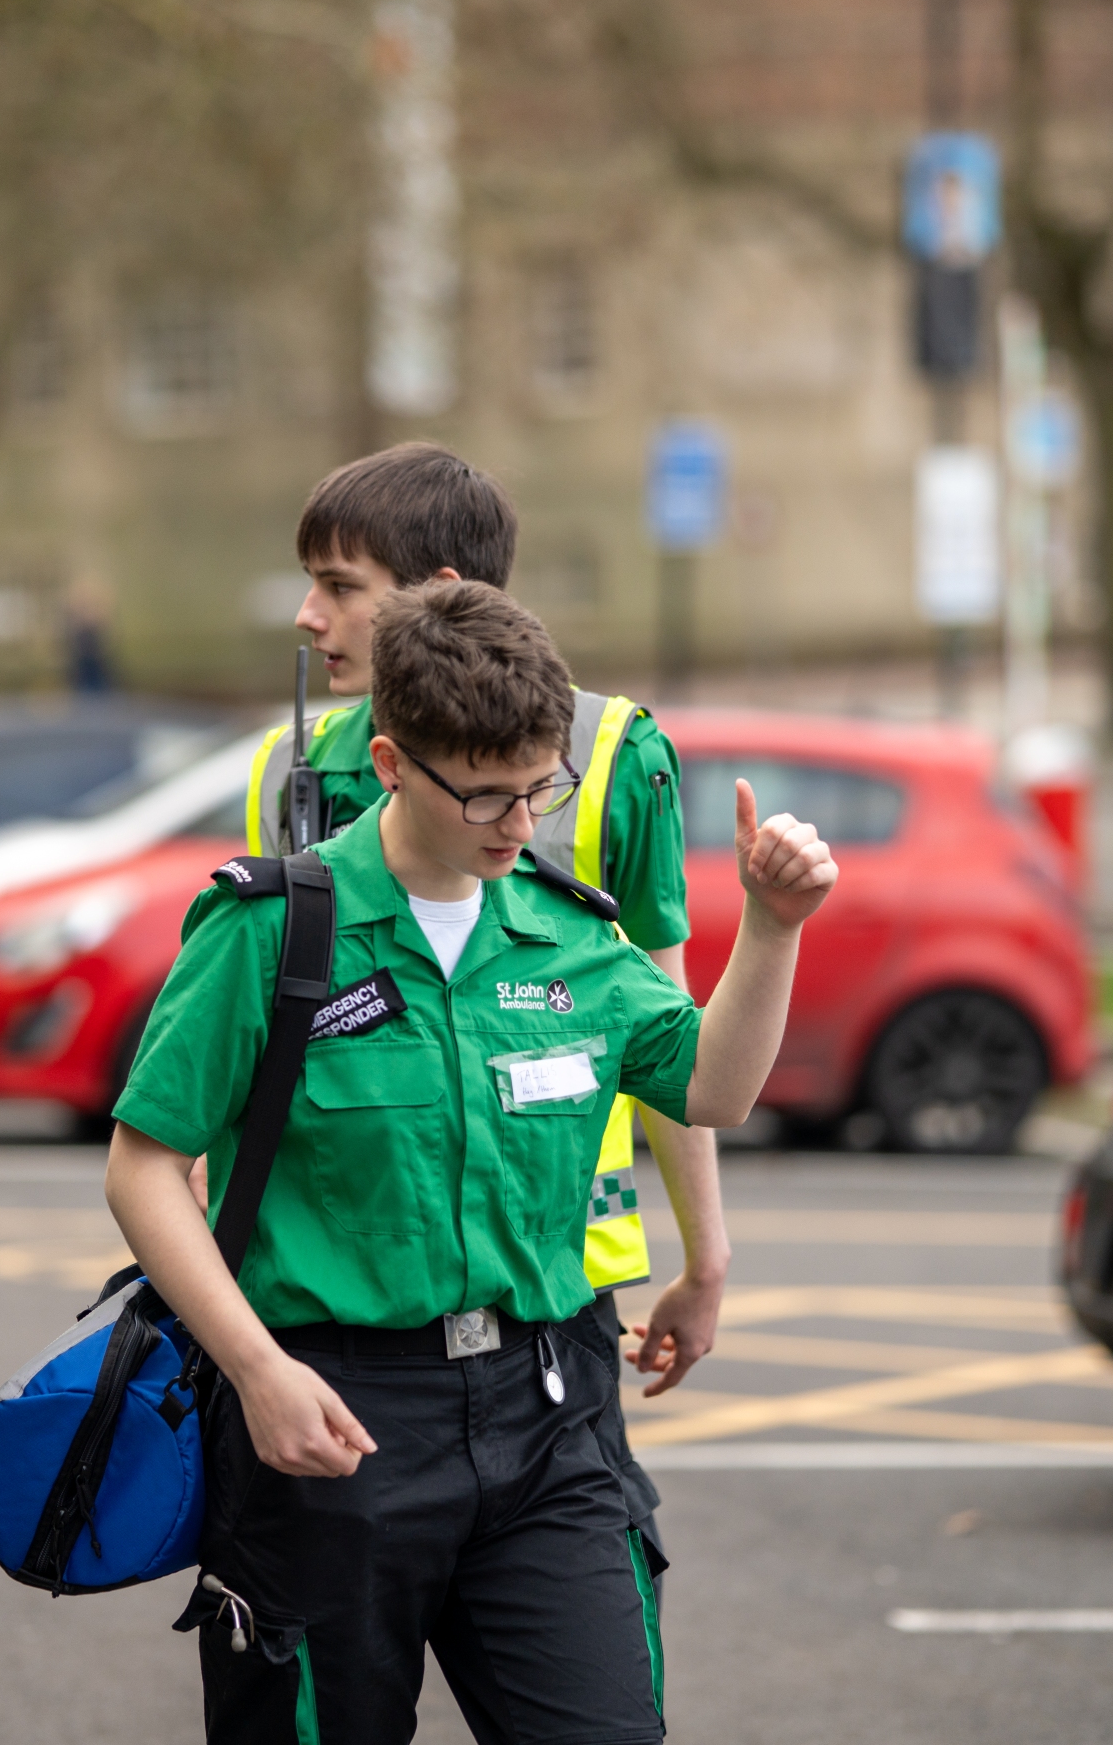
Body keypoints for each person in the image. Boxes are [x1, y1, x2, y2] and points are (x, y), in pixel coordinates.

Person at [109, 581, 835, 1744]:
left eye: (540, 786)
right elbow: (144, 1166)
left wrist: (772, 926)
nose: (517, 820)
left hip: (548, 1416)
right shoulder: (272, 928)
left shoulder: (565, 927)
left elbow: (716, 1087)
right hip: (333, 1409)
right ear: (392, 763)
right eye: (486, 792)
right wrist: (255, 1369)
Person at [241, 444, 729, 1569]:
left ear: (442, 593)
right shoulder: (287, 766)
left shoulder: (613, 755)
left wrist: (705, 1256)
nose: (310, 616)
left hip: (554, 1275)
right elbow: (255, 1061)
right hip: (340, 1296)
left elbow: (673, 1026)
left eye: (341, 584)